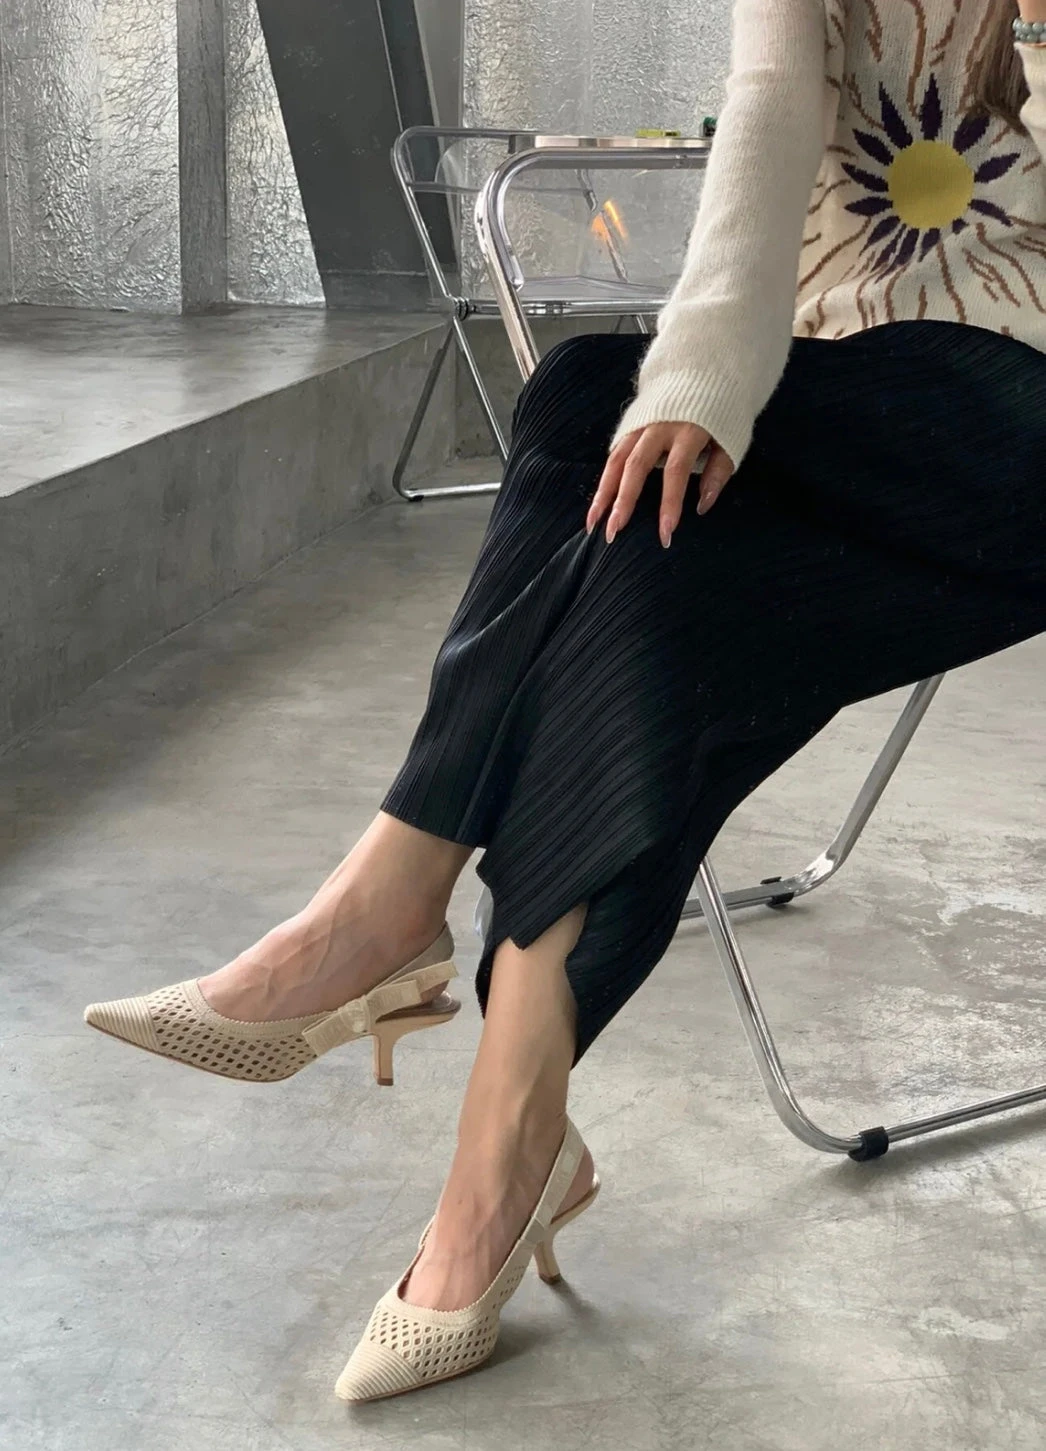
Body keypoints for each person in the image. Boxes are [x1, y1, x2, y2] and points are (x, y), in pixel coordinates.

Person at [84, 0, 1046, 1404]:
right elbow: (771, 106)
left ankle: (398, 940)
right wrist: (702, 383)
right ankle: (507, 1121)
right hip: (841, 387)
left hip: (1019, 430)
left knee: (647, 545)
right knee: (612, 437)